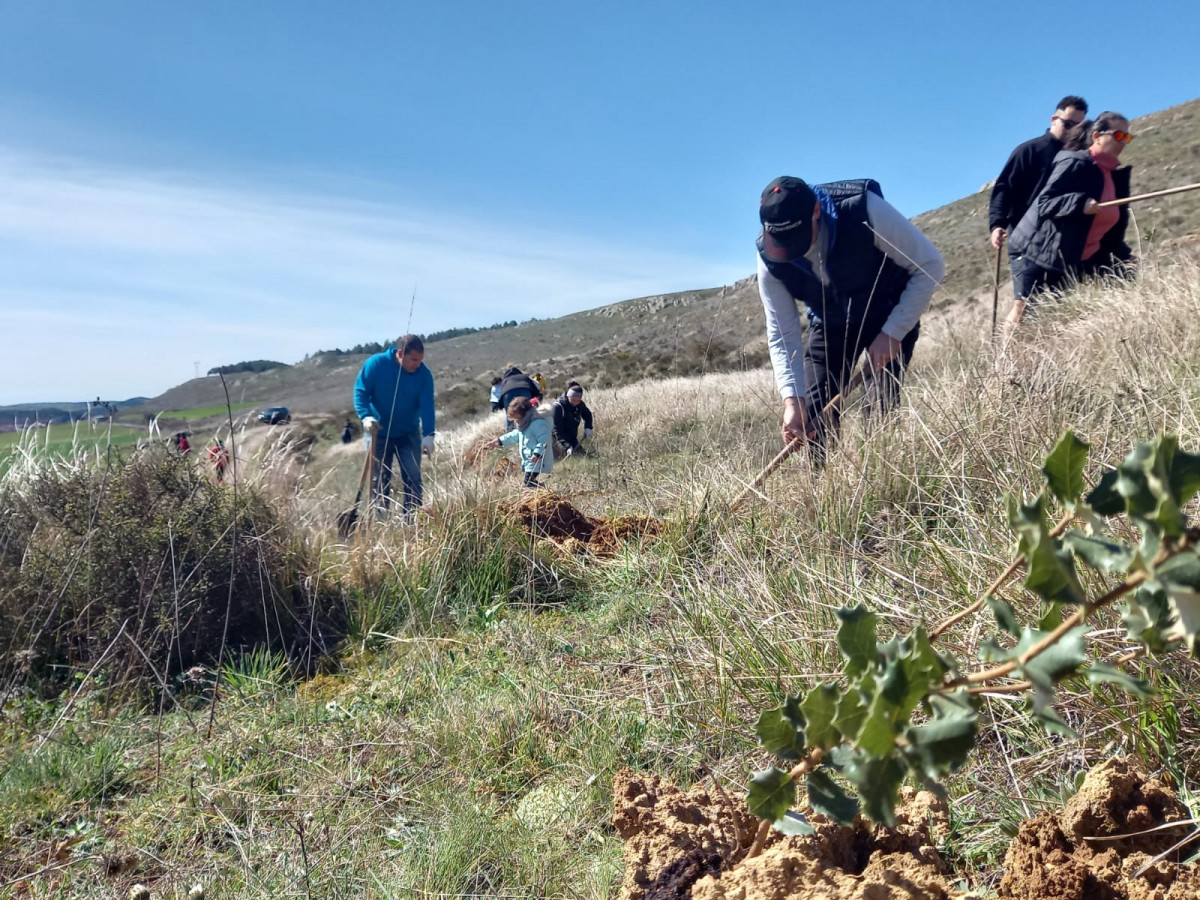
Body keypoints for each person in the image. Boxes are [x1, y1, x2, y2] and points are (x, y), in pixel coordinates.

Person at [756, 175, 944, 452]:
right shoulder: (768, 256)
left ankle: (881, 478)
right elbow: (783, 334)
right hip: (829, 322)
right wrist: (791, 402)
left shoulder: (862, 209)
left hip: (887, 313)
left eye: (796, 239)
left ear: (816, 212)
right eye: (782, 242)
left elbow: (930, 265)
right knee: (812, 417)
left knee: (880, 411)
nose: (792, 251)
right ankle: (819, 488)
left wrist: (892, 334)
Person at [1005, 112, 1135, 323]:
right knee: (1024, 310)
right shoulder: (1075, 162)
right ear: (1097, 136)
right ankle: (1003, 355)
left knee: (1055, 314)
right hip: (1037, 250)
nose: (1123, 142)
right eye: (1118, 135)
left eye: (1127, 137)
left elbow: (1108, 229)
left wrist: (1123, 254)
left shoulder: (1112, 175)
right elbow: (1045, 202)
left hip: (1074, 256)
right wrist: (1080, 203)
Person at [353, 334, 436, 518]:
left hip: (408, 434)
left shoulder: (424, 375)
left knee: (413, 478)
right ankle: (381, 522)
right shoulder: (376, 365)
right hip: (378, 433)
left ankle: (413, 520)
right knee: (379, 480)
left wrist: (429, 434)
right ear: (400, 353)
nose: (418, 364)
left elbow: (427, 406)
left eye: (420, 360)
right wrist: (366, 417)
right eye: (414, 359)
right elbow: (361, 392)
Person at [486, 396, 553, 489]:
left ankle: (544, 491)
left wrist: (537, 453)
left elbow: (544, 440)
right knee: (529, 483)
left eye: (517, 417)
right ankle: (542, 490)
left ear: (525, 413)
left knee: (528, 483)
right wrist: (500, 440)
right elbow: (515, 435)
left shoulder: (538, 423)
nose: (516, 421)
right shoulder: (525, 424)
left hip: (537, 459)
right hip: (530, 460)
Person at [552, 381, 594, 457]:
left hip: (572, 438)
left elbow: (588, 415)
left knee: (585, 456)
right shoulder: (558, 407)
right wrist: (567, 446)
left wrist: (588, 428)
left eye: (578, 400)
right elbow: (556, 431)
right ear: (568, 396)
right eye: (573, 400)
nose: (575, 403)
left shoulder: (580, 404)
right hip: (556, 441)